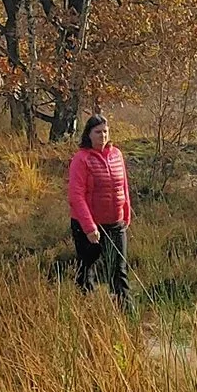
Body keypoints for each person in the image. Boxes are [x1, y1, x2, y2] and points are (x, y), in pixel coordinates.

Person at [66, 113, 132, 304]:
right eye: (97, 132)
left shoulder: (116, 155)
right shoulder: (81, 159)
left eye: (105, 131)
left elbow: (123, 187)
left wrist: (125, 215)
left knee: (119, 269)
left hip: (115, 223)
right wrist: (89, 227)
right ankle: (86, 310)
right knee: (87, 271)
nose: (102, 136)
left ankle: (125, 310)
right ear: (88, 134)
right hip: (88, 226)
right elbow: (76, 196)